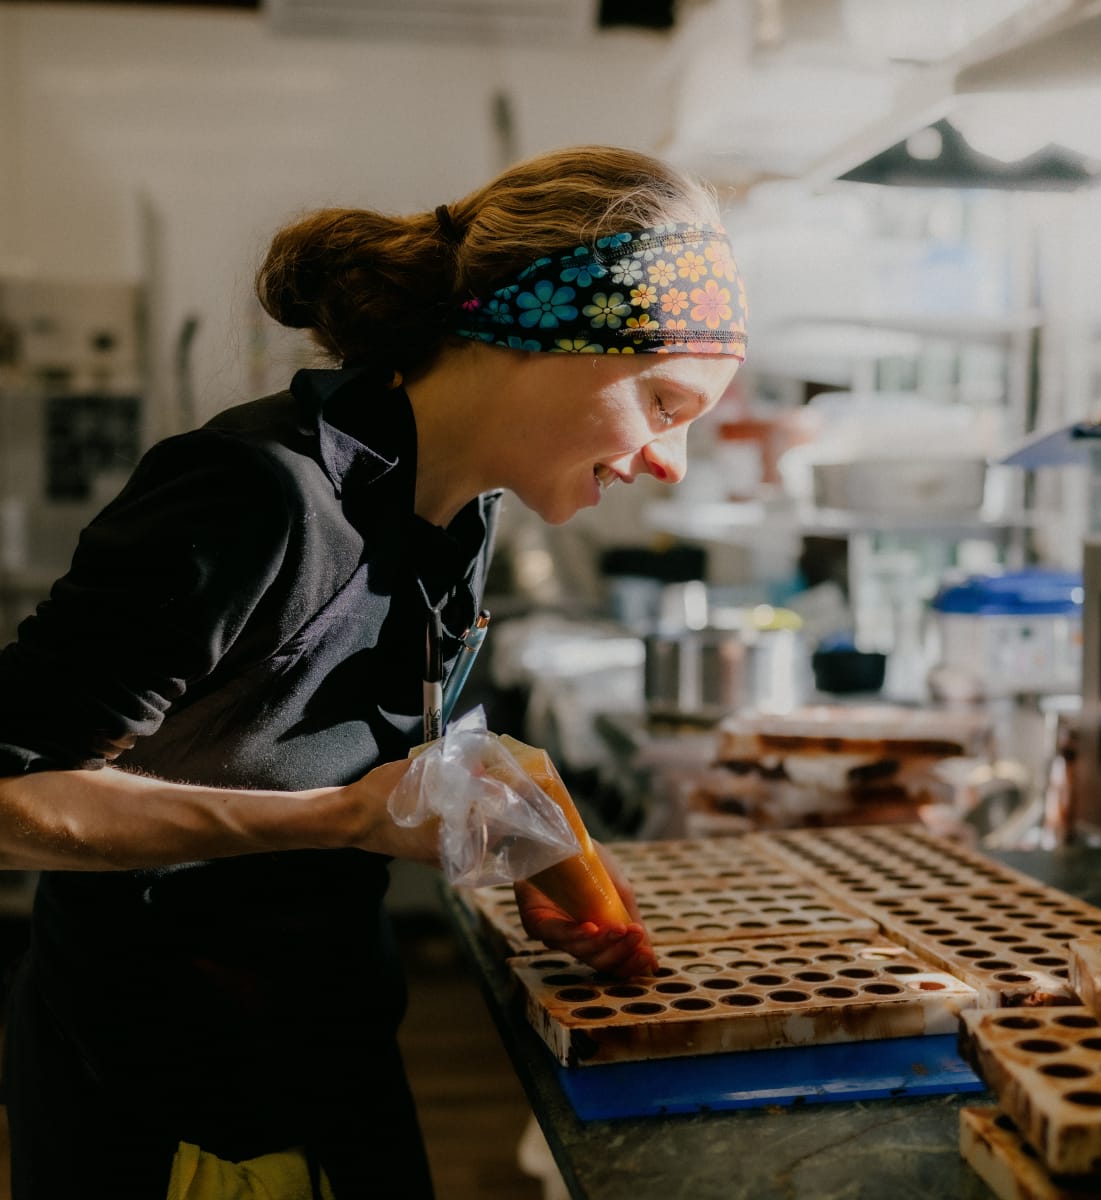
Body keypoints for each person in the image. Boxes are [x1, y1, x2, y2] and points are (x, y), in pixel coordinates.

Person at [0, 144, 748, 1199]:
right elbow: (9, 797)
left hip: (329, 1043)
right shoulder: (258, 495)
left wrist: (524, 841)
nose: (670, 461)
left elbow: (356, 743)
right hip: (165, 1088)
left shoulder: (454, 511)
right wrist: (337, 823)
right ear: (552, 335)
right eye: (664, 404)